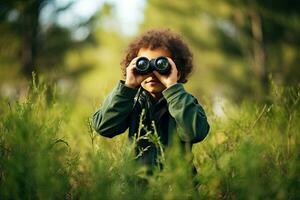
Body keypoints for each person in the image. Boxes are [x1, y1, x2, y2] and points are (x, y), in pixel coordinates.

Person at [92, 28, 210, 177]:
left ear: (177, 72)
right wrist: (128, 87)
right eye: (144, 65)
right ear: (132, 67)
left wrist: (173, 89)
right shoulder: (130, 101)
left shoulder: (184, 102)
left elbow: (195, 132)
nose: (152, 74)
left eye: (161, 65)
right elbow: (104, 127)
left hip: (177, 186)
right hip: (137, 187)